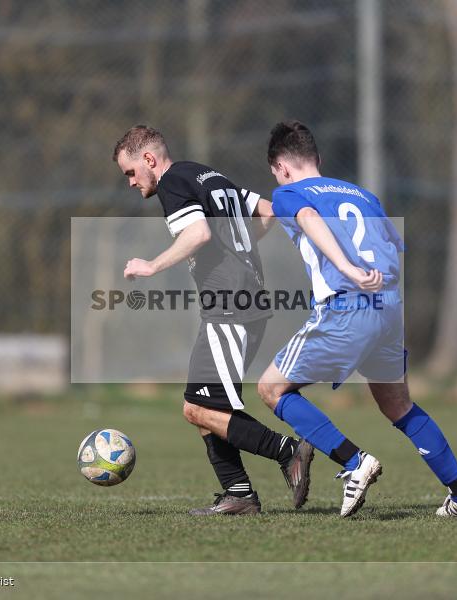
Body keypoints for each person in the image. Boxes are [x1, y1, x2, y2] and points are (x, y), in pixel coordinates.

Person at [256, 120, 457, 518]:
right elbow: (394, 246)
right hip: (387, 308)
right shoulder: (363, 195)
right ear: (317, 158)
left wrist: (346, 268)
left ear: (281, 167)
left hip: (346, 308)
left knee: (271, 389)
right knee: (399, 405)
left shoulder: (289, 193)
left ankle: (354, 462)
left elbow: (308, 217)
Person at [112, 125, 314, 516]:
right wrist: (240, 245)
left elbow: (198, 233)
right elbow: (268, 209)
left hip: (230, 306)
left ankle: (287, 451)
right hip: (242, 302)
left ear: (149, 159)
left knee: (197, 408)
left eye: (131, 172)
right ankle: (239, 494)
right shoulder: (207, 175)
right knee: (205, 407)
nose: (131, 182)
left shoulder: (173, 183)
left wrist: (151, 265)